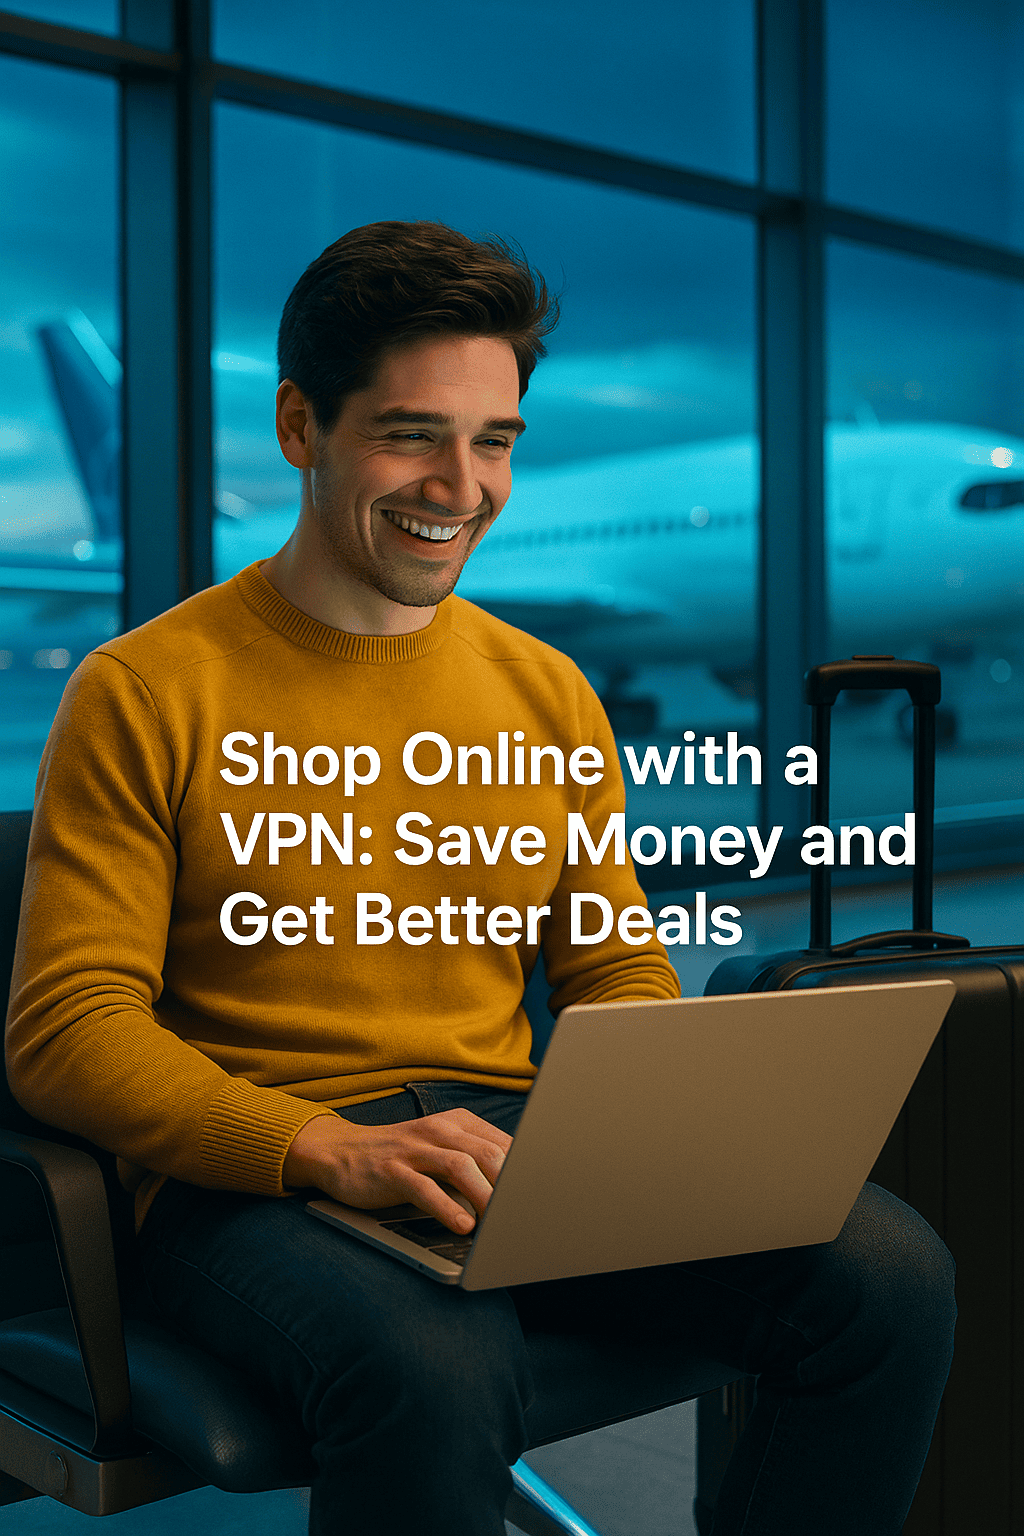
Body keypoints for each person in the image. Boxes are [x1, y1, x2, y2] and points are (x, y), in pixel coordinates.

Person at [7, 221, 955, 1536]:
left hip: (505, 1140)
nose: (462, 486)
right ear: (300, 425)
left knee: (891, 1277)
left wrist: (643, 1125)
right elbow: (66, 1033)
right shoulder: (147, 691)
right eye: (413, 435)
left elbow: (612, 966)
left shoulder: (546, 692)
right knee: (436, 1368)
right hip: (248, 1176)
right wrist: (320, 1148)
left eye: (495, 440)